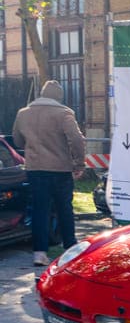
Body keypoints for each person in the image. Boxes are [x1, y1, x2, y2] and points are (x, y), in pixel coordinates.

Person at [12, 80, 86, 266]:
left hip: (35, 168)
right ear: (59, 97)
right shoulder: (64, 113)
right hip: (60, 169)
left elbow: (18, 141)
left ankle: (39, 253)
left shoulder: (23, 114)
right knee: (64, 209)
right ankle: (69, 248)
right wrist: (79, 163)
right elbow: (77, 139)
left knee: (39, 210)